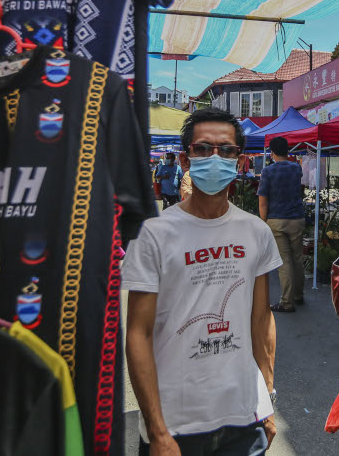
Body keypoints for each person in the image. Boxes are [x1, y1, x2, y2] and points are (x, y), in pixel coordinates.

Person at [123, 108, 281, 456]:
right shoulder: (153, 234)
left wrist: (267, 397)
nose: (215, 157)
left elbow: (261, 318)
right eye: (203, 149)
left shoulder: (256, 231)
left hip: (244, 416)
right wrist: (157, 429)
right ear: (185, 157)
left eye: (226, 150)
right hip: (176, 423)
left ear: (240, 162)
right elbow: (138, 333)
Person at [258, 136, 307, 313]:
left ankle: (287, 302)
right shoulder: (296, 168)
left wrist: (263, 223)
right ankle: (298, 295)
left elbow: (263, 201)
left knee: (284, 261)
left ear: (272, 152)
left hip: (276, 219)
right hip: (297, 218)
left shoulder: (268, 172)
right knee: (297, 259)